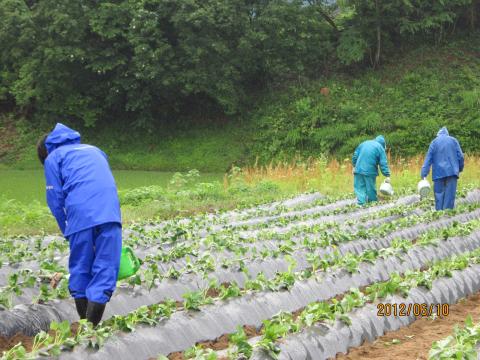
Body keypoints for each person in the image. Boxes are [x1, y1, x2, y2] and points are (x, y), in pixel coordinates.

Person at [37, 123, 122, 326]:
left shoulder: (53, 159)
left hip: (80, 216)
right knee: (105, 269)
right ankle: (92, 329)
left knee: (81, 269)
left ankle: (86, 328)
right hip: (111, 214)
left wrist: (67, 229)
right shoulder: (95, 150)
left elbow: (55, 200)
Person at [420, 127, 464, 210]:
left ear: (438, 134)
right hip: (452, 173)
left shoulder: (434, 142)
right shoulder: (453, 141)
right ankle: (446, 218)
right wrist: (460, 168)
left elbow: (428, 159)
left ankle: (439, 216)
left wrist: (424, 174)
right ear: (447, 134)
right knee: (449, 197)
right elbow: (461, 156)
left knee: (439, 196)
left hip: (438, 174)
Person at [352, 135, 391, 205]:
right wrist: (387, 175)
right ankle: (373, 205)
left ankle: (361, 205)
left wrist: (354, 166)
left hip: (358, 170)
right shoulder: (380, 147)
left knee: (360, 188)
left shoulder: (363, 143)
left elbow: (355, 156)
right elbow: (383, 163)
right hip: (369, 171)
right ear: (383, 144)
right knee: (371, 189)